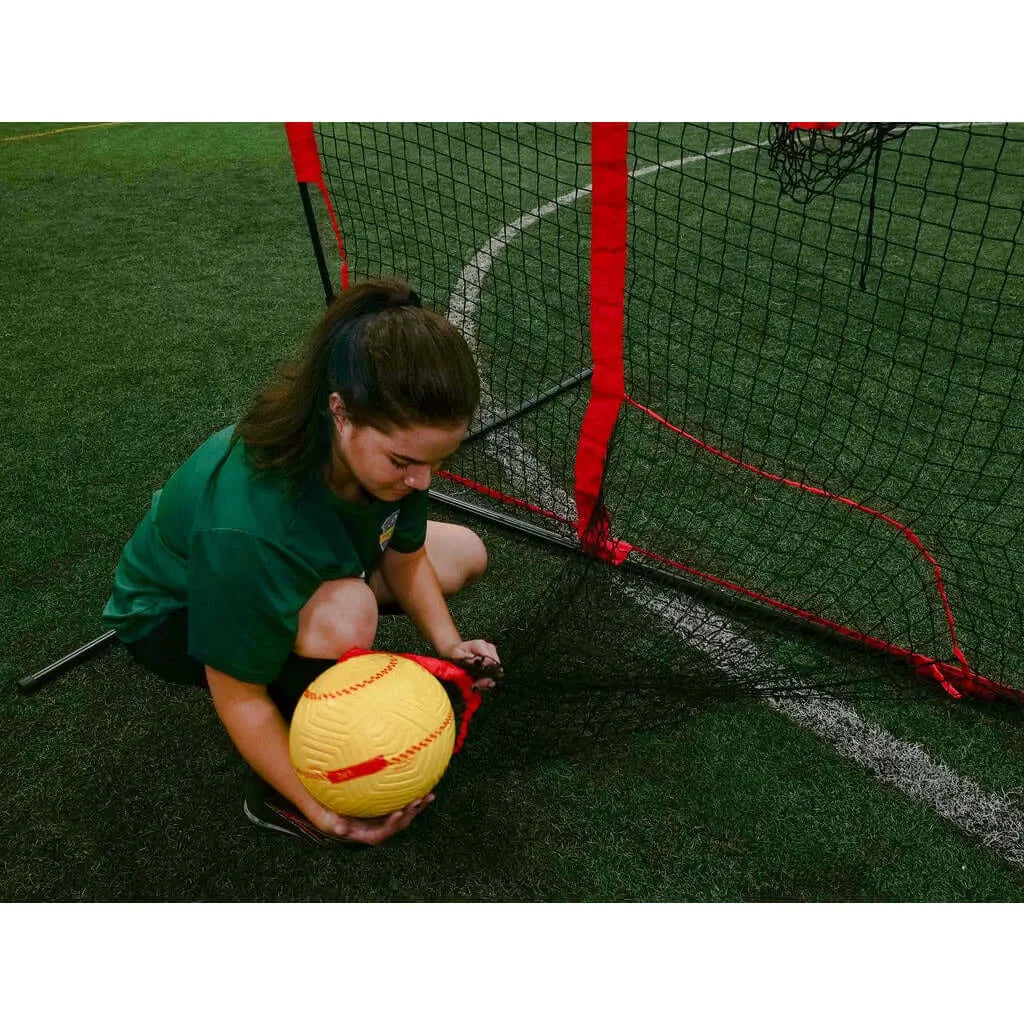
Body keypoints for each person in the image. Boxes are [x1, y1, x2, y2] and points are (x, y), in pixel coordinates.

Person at [103, 278, 501, 847]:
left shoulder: (393, 458)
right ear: (341, 413)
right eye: (403, 462)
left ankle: (316, 621)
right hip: (174, 614)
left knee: (464, 552)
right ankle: (273, 791)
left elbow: (406, 556)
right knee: (347, 615)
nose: (422, 480)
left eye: (437, 461)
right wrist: (323, 811)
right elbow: (238, 695)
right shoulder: (251, 524)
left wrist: (449, 645)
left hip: (300, 558)